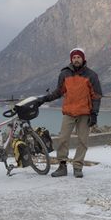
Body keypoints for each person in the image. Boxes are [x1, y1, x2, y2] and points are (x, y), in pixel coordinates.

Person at [36, 48, 102, 178]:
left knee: (83, 141)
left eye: (79, 57)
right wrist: (44, 99)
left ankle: (78, 167)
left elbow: (97, 95)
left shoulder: (91, 75)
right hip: (69, 112)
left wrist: (94, 114)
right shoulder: (64, 74)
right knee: (62, 139)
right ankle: (62, 166)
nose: (76, 60)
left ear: (83, 59)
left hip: (85, 113)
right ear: (71, 59)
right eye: (74, 57)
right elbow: (59, 92)